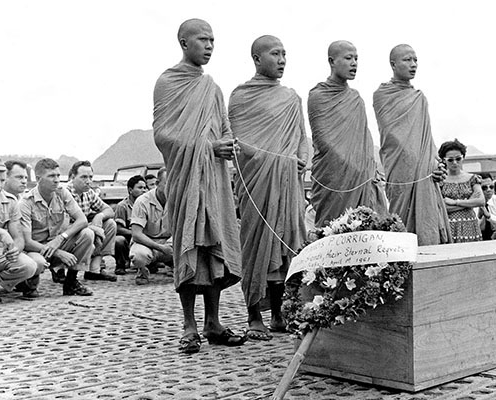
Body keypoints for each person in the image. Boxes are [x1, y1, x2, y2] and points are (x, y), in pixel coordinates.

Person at [153, 18, 246, 353]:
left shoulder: (213, 87)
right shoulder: (167, 82)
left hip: (215, 180)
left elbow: (224, 127)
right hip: (186, 179)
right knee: (189, 247)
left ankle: (213, 322)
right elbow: (163, 134)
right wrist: (207, 147)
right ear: (183, 42)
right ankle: (189, 325)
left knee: (214, 249)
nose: (208, 46)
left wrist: (226, 144)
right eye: (203, 39)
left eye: (212, 41)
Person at [229, 35, 308, 341]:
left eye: (285, 54)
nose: (282, 59)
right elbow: (238, 140)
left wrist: (301, 158)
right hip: (257, 181)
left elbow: (302, 135)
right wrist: (271, 159)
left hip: (288, 183)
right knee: (256, 246)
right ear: (257, 59)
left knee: (284, 246)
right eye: (275, 54)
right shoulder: (240, 97)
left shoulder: (291, 98)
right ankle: (253, 315)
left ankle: (278, 314)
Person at [373, 44, 452, 246]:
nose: (413, 64)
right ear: (393, 64)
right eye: (407, 60)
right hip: (400, 169)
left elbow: (428, 138)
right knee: (401, 226)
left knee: (428, 225)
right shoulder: (382, 95)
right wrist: (416, 161)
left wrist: (436, 164)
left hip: (426, 173)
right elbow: (392, 135)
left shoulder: (420, 98)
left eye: (415, 60)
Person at [308, 40, 387, 227]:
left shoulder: (355, 98)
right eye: (348, 58)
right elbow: (323, 139)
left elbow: (365, 137)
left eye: (356, 58)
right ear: (332, 61)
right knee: (334, 229)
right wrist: (354, 167)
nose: (354, 63)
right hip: (335, 178)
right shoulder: (318, 96)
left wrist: (369, 166)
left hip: (364, 176)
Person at [20, 158, 94, 296]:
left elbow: (82, 220)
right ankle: (27, 283)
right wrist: (58, 252)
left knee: (87, 234)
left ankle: (71, 283)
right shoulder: (26, 202)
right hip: (37, 249)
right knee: (38, 262)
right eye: (51, 176)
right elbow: (27, 242)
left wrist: (61, 238)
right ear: (38, 178)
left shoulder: (62, 193)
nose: (56, 180)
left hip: (57, 242)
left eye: (58, 175)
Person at [0, 158, 44, 303]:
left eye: (2, 180)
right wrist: (2, 232)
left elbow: (18, 237)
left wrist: (14, 250)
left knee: (29, 265)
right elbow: (6, 233)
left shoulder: (10, 201)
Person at [67, 161, 117, 282]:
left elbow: (109, 209)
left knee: (110, 224)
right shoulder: (65, 192)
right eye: (84, 177)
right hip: (67, 232)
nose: (88, 181)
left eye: (90, 177)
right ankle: (61, 272)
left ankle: (94, 270)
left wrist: (99, 216)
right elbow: (63, 225)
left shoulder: (88, 192)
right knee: (92, 232)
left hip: (84, 229)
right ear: (73, 177)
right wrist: (94, 228)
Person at [130, 169, 173, 285]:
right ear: (157, 183)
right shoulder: (142, 201)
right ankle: (142, 271)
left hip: (169, 241)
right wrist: (160, 248)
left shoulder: (178, 199)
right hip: (146, 242)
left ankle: (176, 267)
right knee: (139, 256)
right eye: (167, 183)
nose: (171, 187)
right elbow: (136, 234)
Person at [438, 139, 484, 242]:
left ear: (463, 158)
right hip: (448, 224)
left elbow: (481, 201)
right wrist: (470, 202)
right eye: (450, 160)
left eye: (458, 159)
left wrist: (455, 202)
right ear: (443, 160)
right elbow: (441, 207)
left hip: (470, 224)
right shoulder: (440, 180)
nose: (455, 162)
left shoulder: (472, 178)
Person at [114, 174, 147, 275]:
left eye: (145, 188)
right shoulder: (122, 206)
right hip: (129, 239)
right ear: (130, 190)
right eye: (140, 187)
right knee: (118, 240)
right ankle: (121, 265)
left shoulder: (147, 205)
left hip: (145, 239)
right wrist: (135, 234)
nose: (144, 190)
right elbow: (118, 229)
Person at [477, 173, 496, 240]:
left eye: (491, 187)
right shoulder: (472, 203)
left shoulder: (495, 200)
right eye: (484, 188)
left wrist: (489, 216)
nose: (489, 190)